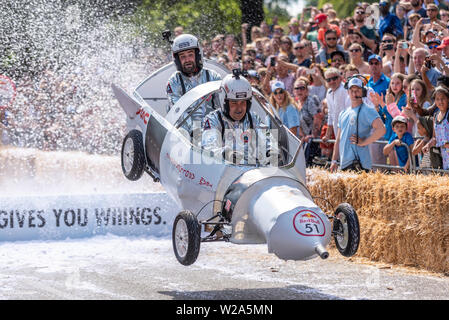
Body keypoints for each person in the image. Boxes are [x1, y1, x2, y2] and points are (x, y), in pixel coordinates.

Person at [202, 73, 273, 165]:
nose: (239, 108)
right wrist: (226, 154)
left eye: (243, 103)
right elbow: (209, 147)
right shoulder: (213, 119)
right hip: (224, 172)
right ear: (225, 103)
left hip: (252, 173)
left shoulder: (253, 118)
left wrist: (270, 151)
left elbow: (267, 139)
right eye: (234, 103)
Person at [330, 77, 386, 172]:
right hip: (345, 163)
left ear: (362, 92)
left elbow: (382, 129)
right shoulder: (343, 113)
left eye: (357, 90)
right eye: (351, 91)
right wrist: (334, 160)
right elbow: (338, 139)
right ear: (348, 92)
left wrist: (364, 142)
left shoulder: (368, 110)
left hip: (360, 164)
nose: (354, 93)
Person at [166, 34, 222, 112]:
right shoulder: (174, 81)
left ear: (197, 55)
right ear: (177, 60)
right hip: (182, 124)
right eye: (182, 57)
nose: (187, 60)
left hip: (210, 123)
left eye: (190, 55)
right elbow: (176, 111)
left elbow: (221, 107)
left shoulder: (213, 77)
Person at [422, 85, 449, 169]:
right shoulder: (435, 116)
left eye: (443, 98)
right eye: (437, 99)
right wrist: (428, 145)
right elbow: (435, 137)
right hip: (444, 157)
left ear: (448, 99)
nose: (440, 101)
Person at [323, 67, 349, 142]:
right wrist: (327, 135)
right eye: (328, 80)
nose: (332, 81)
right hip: (337, 132)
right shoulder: (329, 92)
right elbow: (330, 114)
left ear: (340, 78)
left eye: (334, 78)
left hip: (348, 131)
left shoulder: (346, 90)